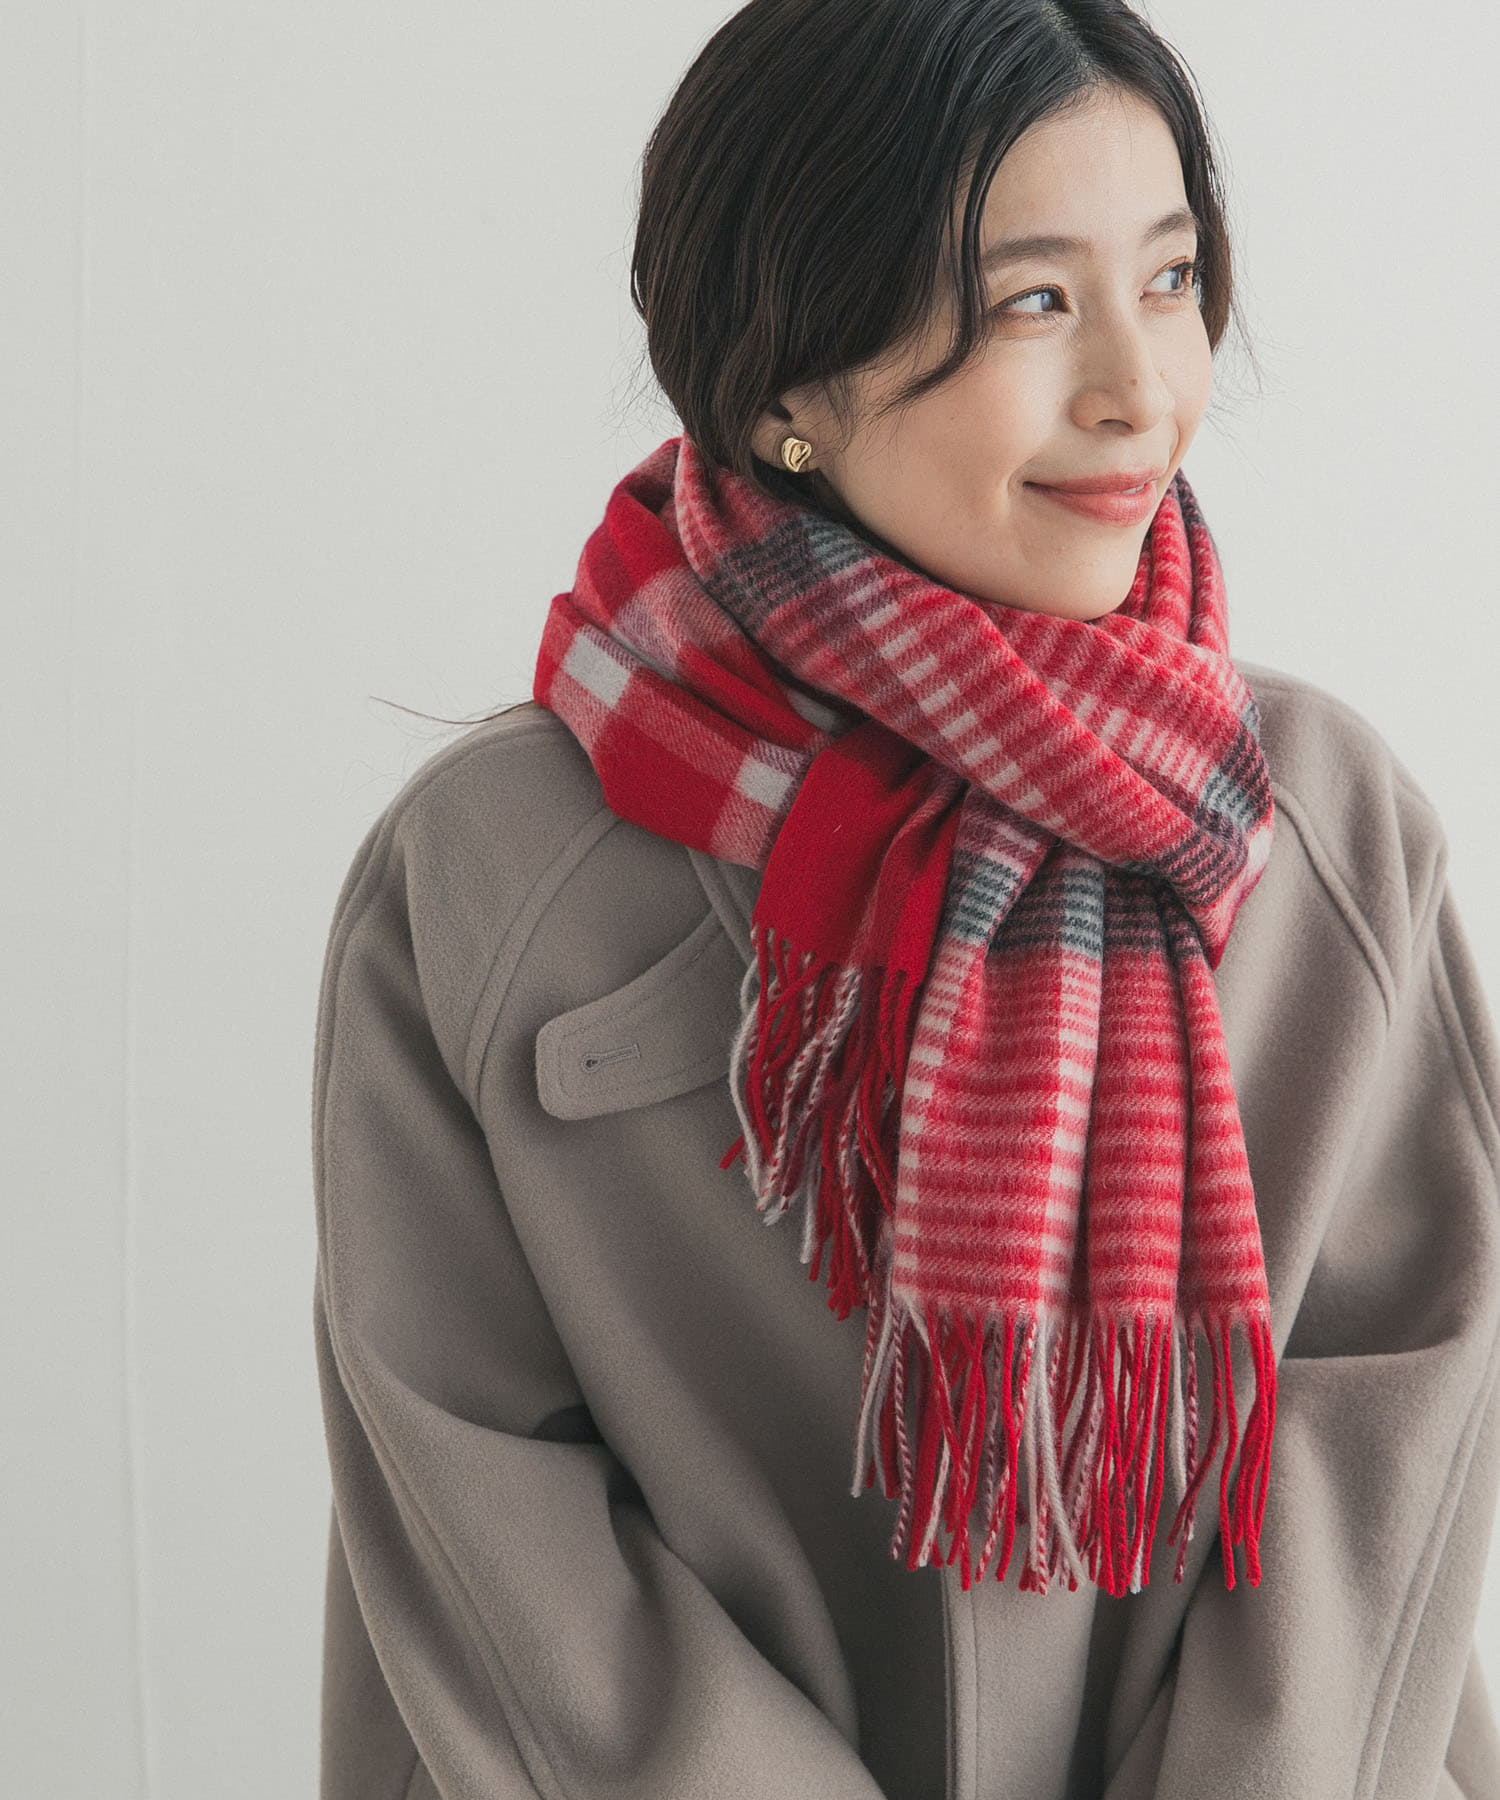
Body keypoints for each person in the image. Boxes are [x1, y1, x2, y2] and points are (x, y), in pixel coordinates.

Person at [310, 1, 1500, 1794]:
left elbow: (1390, 1429)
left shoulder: (1316, 824)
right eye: (1033, 302)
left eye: (1170, 278)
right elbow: (482, 1495)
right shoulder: (492, 873)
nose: (1140, 389)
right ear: (783, 383)